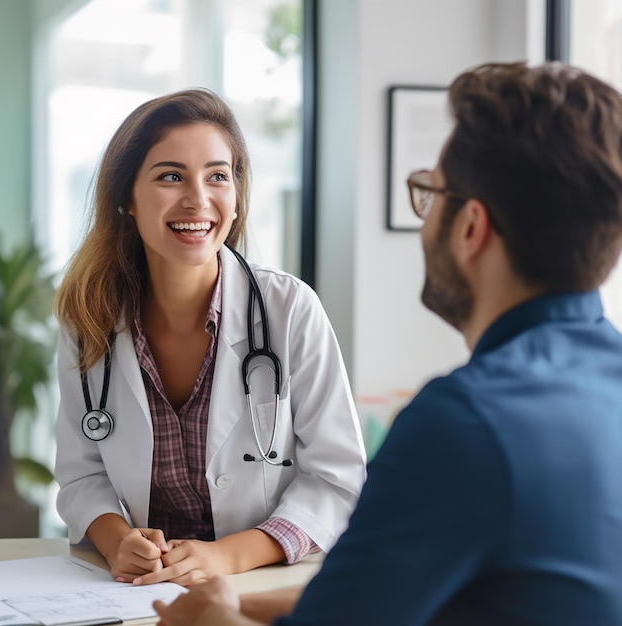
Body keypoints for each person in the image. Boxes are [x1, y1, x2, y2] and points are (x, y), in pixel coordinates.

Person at [152, 61, 622, 625]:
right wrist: (233, 602)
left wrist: (206, 620)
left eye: (430, 194)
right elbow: (372, 598)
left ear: (470, 228)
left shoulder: (465, 423)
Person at [53, 88, 367, 587]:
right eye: (170, 176)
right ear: (125, 200)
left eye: (218, 176)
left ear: (237, 197)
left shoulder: (290, 310)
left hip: (266, 585)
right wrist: (117, 542)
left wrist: (229, 556)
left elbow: (338, 480)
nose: (198, 199)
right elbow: (81, 474)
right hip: (140, 591)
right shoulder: (89, 317)